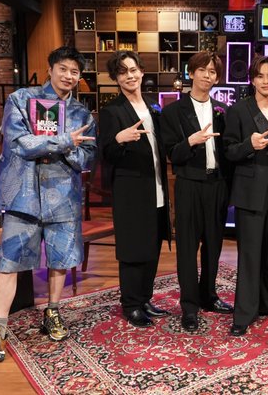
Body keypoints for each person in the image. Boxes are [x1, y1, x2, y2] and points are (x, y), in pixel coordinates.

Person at [0, 46, 97, 362]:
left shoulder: (82, 114)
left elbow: (87, 158)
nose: (69, 76)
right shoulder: (21, 99)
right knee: (10, 262)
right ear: (50, 69)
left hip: (63, 197)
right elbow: (20, 144)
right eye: (63, 69)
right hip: (24, 195)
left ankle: (52, 311)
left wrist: (64, 149)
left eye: (75, 72)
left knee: (59, 260)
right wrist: (64, 142)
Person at [159, 52, 233, 332]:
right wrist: (190, 141)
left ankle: (209, 295)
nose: (207, 75)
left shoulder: (223, 110)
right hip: (189, 184)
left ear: (217, 77)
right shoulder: (173, 111)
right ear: (191, 73)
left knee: (214, 245)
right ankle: (189, 306)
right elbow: (172, 154)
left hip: (217, 185)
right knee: (188, 248)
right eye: (202, 70)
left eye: (212, 72)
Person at [98, 50, 172, 328]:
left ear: (142, 72)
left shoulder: (153, 106)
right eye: (122, 72)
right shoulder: (112, 111)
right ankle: (131, 305)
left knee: (152, 245)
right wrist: (119, 138)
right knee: (132, 248)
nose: (129, 76)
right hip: (130, 190)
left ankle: (144, 298)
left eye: (133, 70)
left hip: (156, 186)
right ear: (116, 78)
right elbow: (105, 154)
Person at [223, 55, 268, 336]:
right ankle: (244, 313)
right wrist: (249, 145)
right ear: (252, 80)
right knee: (250, 254)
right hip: (249, 193)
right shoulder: (238, 111)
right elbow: (228, 151)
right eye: (260, 76)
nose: (266, 81)